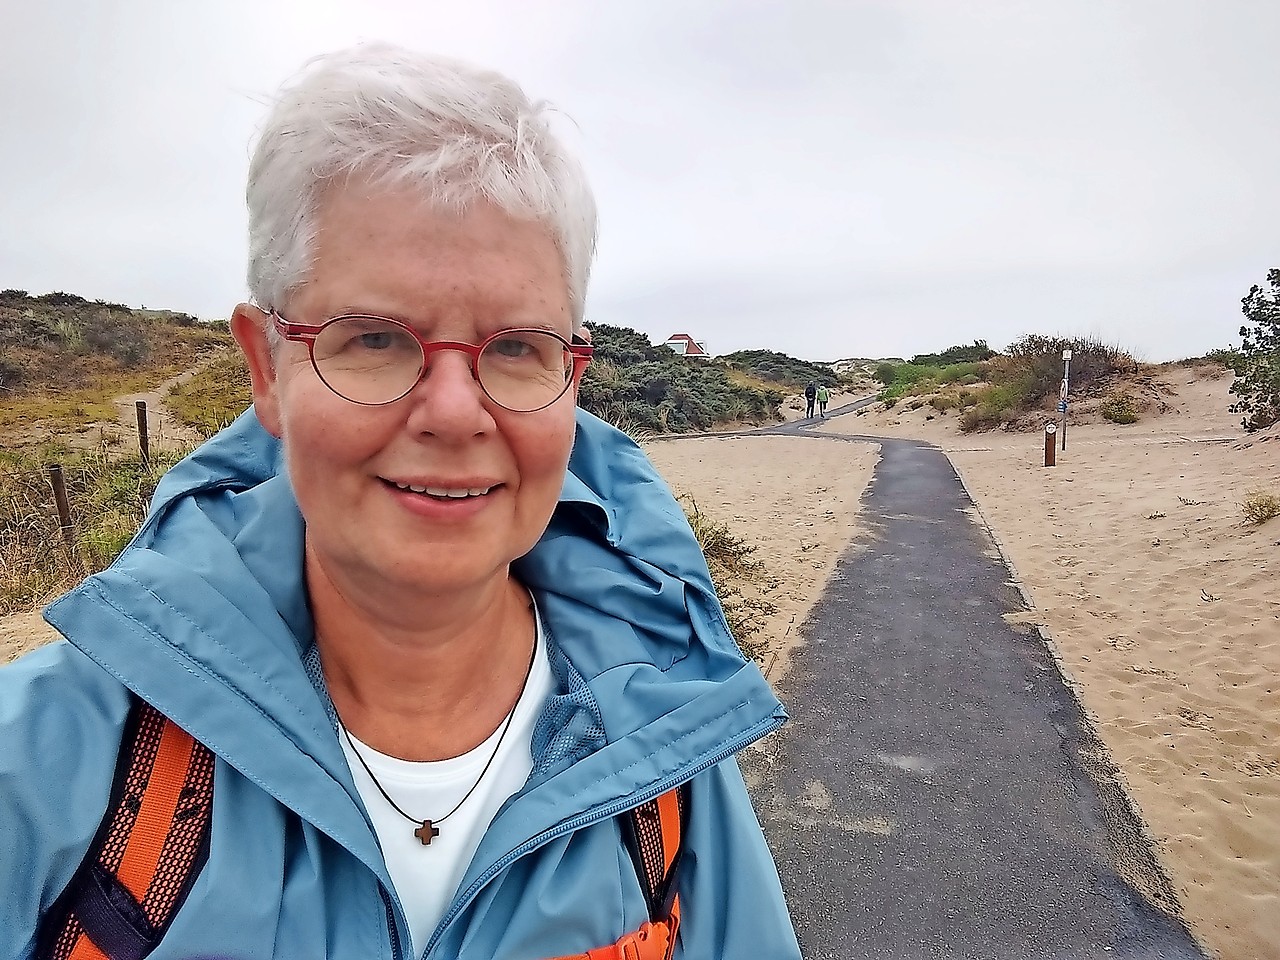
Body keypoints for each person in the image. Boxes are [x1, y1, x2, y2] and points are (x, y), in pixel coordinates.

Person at [0, 43, 802, 959]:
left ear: (572, 371)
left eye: (515, 347)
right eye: (376, 338)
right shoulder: (42, 771)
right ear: (267, 367)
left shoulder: (663, 755)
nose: (457, 414)